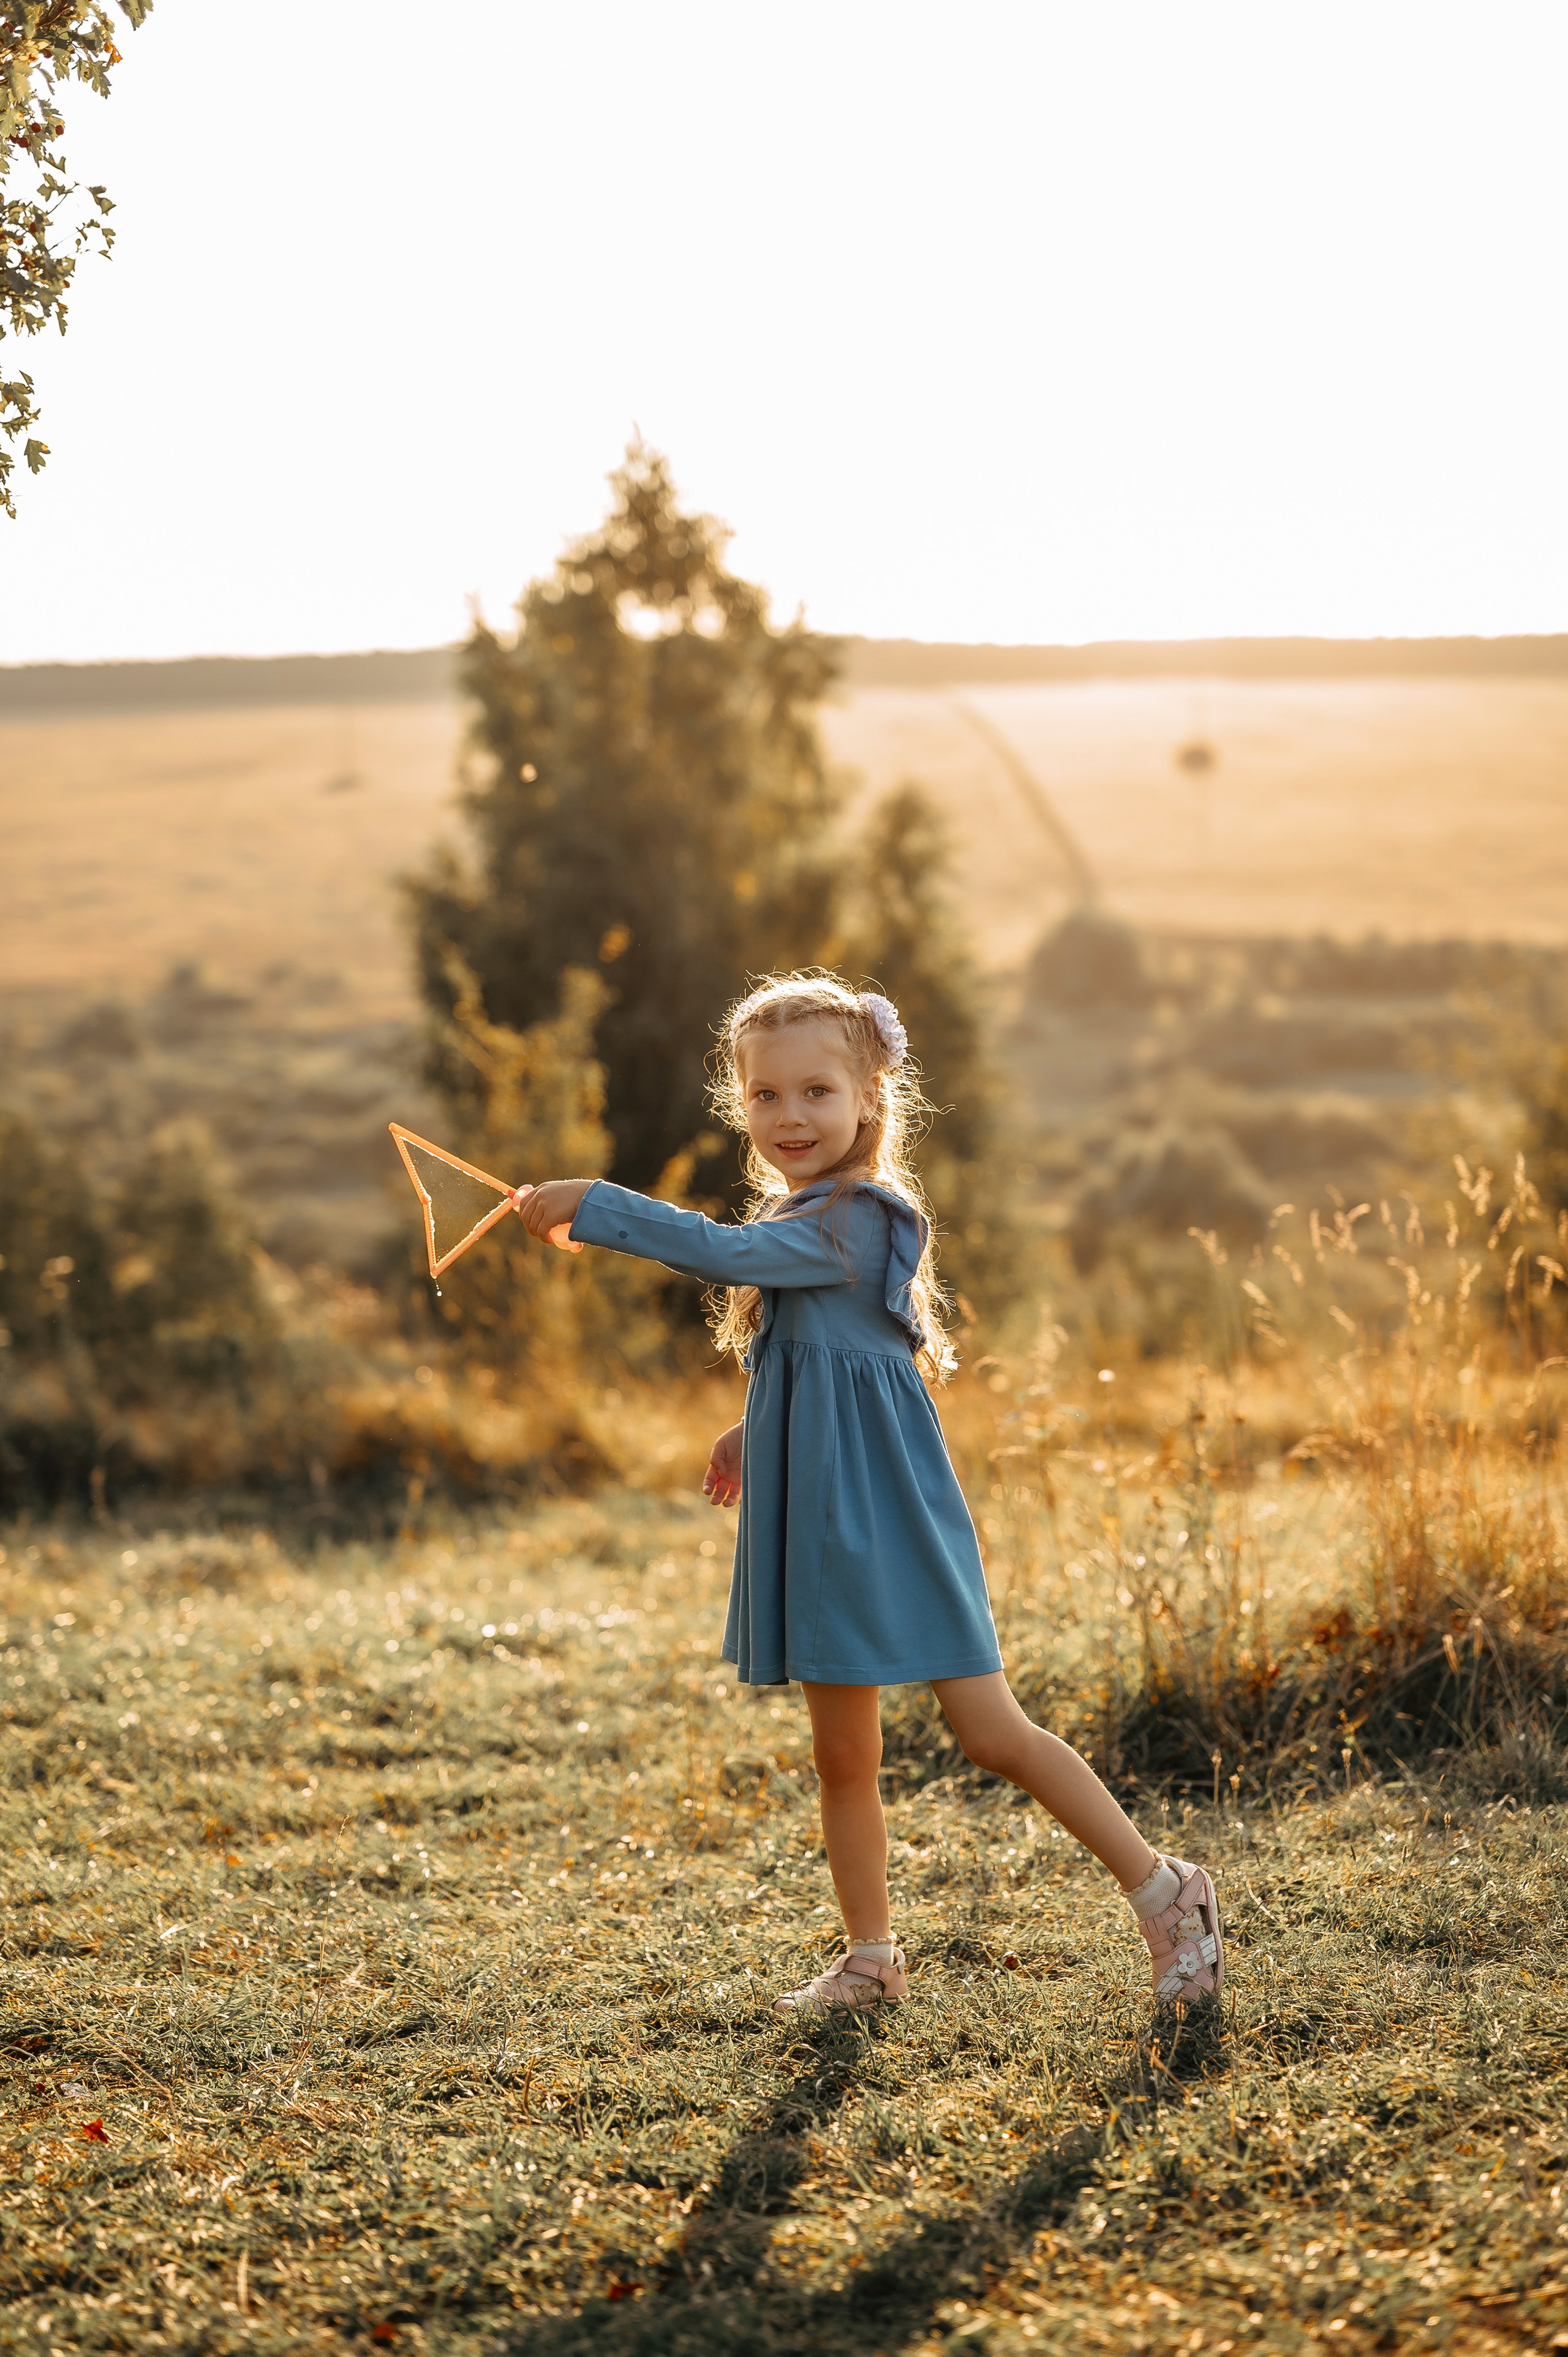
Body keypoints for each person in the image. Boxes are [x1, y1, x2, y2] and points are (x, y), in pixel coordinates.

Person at [513, 972, 1221, 2019]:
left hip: (891, 1516)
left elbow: (722, 1252)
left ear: (869, 1100)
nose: (790, 1116)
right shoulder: (803, 1213)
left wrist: (596, 1202)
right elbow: (829, 1361)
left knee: (993, 1735)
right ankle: (870, 1961)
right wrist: (755, 1428)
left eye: (816, 1092)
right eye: (765, 1095)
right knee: (842, 1753)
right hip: (821, 1521)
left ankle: (1168, 1893)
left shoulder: (859, 1217)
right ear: (741, 1104)